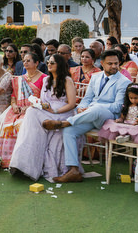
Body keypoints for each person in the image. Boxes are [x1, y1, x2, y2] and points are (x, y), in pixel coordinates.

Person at [43, 50, 130, 182]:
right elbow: (87, 99)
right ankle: (73, 170)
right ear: (102, 63)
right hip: (90, 116)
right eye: (110, 63)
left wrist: (92, 108)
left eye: (116, 63)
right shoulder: (95, 77)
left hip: (108, 117)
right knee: (69, 131)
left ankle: (66, 122)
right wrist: (81, 108)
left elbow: (117, 107)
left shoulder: (124, 82)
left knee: (97, 108)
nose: (114, 66)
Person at [8, 53, 77, 181]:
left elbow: (72, 104)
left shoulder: (67, 80)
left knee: (32, 114)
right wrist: (41, 104)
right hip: (47, 111)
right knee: (31, 111)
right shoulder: (46, 80)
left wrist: (56, 111)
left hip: (62, 112)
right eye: (48, 62)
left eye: (52, 63)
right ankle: (22, 164)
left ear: (59, 65)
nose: (49, 65)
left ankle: (52, 123)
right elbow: (44, 100)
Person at [0, 52, 46, 167]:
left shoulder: (44, 78)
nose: (25, 63)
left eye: (28, 60)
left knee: (20, 124)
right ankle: (3, 159)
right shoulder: (20, 79)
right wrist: (13, 105)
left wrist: (28, 107)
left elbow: (43, 99)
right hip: (17, 107)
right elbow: (13, 96)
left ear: (36, 63)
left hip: (34, 109)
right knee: (2, 122)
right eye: (24, 61)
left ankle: (19, 161)